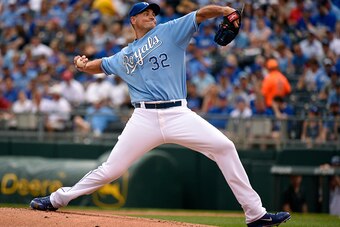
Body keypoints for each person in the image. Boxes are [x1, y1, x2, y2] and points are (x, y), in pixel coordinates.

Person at [29, 2, 291, 227]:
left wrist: (225, 10)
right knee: (111, 169)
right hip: (143, 119)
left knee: (225, 146)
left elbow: (200, 13)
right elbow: (104, 65)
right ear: (133, 19)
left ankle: (256, 215)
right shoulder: (125, 55)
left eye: (153, 12)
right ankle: (56, 200)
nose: (152, 15)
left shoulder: (169, 31)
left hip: (178, 113)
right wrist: (83, 66)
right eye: (146, 13)